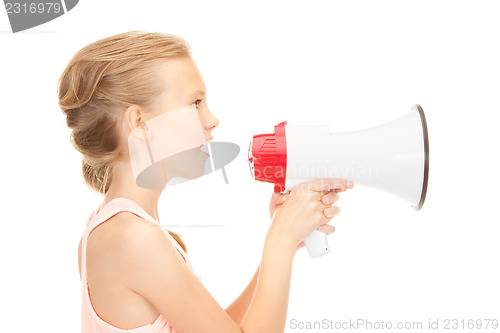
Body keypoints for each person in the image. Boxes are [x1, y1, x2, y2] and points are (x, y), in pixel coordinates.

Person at [58, 30, 353, 333]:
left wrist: (285, 243)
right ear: (141, 123)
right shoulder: (133, 239)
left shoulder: (115, 228)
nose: (212, 120)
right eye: (196, 103)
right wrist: (281, 240)